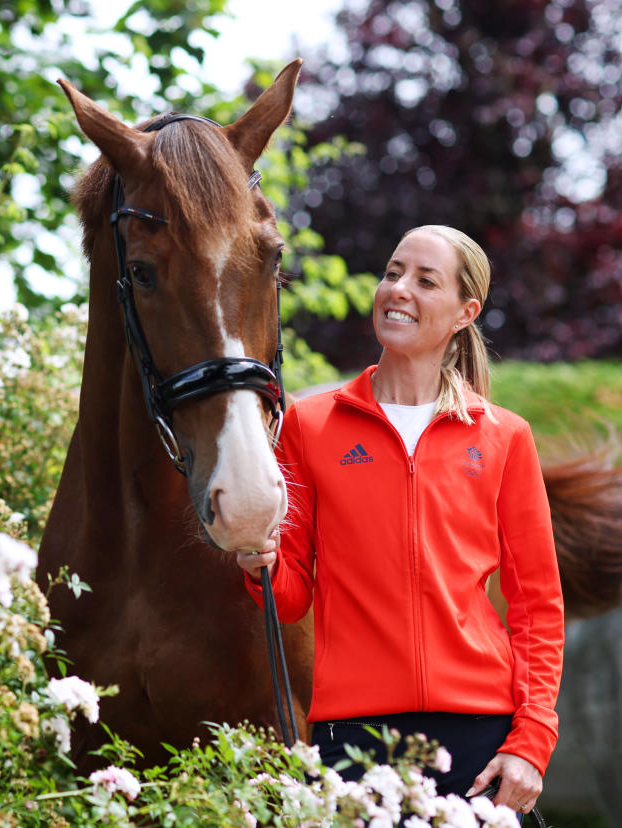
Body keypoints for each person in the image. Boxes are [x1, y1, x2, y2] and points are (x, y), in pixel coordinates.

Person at [237, 225, 564, 819]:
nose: (398, 289)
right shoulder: (309, 427)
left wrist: (532, 742)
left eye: (424, 279)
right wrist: (258, 565)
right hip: (351, 738)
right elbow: (289, 599)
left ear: (465, 312)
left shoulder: (504, 437)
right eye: (392, 272)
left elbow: (538, 605)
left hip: (479, 738)